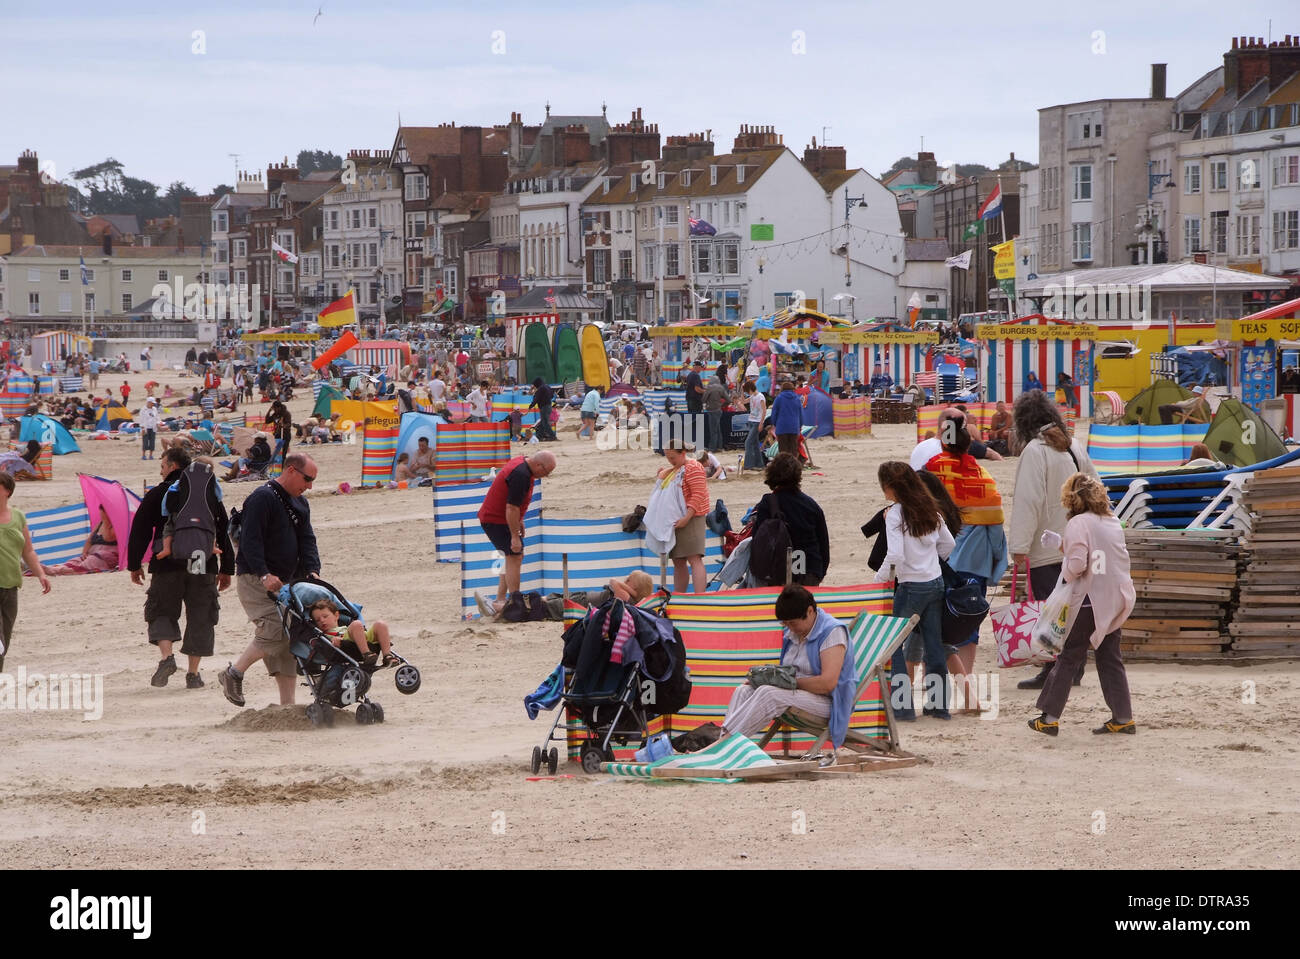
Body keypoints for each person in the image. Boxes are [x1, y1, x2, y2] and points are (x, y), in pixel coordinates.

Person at [1029, 473, 1137, 737]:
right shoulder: (1112, 521)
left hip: (1089, 600)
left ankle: (1050, 718)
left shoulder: (1079, 522)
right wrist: (1062, 544)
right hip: (1116, 597)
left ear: (1071, 499)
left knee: (1069, 657)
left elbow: (1079, 564)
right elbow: (1099, 555)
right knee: (1110, 657)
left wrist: (1065, 577)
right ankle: (1123, 717)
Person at [1007, 390, 1099, 690]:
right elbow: (1097, 489)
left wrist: (1019, 546)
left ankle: (1053, 670)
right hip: (1079, 543)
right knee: (1074, 609)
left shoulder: (1035, 451)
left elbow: (1028, 501)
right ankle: (1074, 669)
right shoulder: (1075, 447)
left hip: (1048, 548)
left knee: (1049, 611)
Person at [219, 453, 322, 708]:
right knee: (276, 628)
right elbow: (250, 542)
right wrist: (264, 574)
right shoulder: (262, 498)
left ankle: (287, 705)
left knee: (290, 638)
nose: (309, 486)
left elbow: (307, 540)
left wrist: (312, 570)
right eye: (307, 479)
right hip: (256, 579)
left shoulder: (301, 504)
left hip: (287, 582)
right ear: (290, 470)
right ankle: (234, 673)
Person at [128, 450, 233, 690]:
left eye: (163, 465)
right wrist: (227, 567)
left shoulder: (158, 493)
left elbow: (140, 530)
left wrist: (134, 564)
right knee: (200, 615)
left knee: (162, 610)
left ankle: (167, 658)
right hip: (202, 562)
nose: (161, 470)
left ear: (173, 465)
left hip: (167, 564)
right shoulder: (209, 493)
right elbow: (222, 530)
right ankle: (193, 674)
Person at [922, 415, 1007, 712]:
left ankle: (940, 691)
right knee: (968, 621)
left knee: (936, 626)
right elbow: (995, 523)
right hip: (975, 562)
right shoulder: (982, 476)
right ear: (969, 443)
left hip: (937, 562)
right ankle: (966, 687)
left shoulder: (931, 473)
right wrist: (998, 564)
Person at [716, 585, 854, 756]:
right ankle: (724, 744)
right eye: (785, 623)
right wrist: (766, 678)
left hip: (829, 703)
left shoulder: (832, 632)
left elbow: (827, 684)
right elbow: (789, 671)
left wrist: (786, 683)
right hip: (798, 695)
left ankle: (723, 747)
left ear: (810, 611)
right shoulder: (793, 632)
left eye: (792, 623)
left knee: (769, 693)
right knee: (744, 690)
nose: (789, 627)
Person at [874, 461, 955, 720]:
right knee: (934, 646)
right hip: (935, 583)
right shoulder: (930, 508)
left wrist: (879, 579)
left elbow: (895, 554)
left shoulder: (896, 513)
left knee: (894, 646)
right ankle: (939, 707)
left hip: (911, 587)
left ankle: (902, 709)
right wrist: (930, 562)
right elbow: (948, 544)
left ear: (891, 486)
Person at [474, 450, 557, 616]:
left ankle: (500, 600)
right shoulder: (521, 475)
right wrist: (514, 536)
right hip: (496, 519)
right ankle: (514, 603)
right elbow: (511, 507)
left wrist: (519, 520)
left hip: (496, 517)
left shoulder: (523, 464)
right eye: (546, 472)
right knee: (515, 555)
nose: (545, 476)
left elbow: (513, 501)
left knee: (511, 556)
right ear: (539, 465)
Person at [751, 453, 830, 587]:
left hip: (776, 570)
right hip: (809, 569)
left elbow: (757, 539)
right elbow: (823, 544)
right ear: (798, 476)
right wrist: (819, 573)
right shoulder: (811, 505)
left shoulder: (767, 504)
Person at [0, 471, 51, 671]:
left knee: (6, 639)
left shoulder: (18, 516)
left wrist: (41, 574)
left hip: (11, 586)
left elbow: (28, 551)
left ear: (7, 491)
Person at [645, 441, 710, 594]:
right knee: (678, 560)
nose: (670, 461)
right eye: (668, 457)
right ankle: (679, 595)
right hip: (676, 519)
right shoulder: (677, 469)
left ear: (683, 453)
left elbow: (698, 495)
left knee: (694, 558)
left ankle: (700, 596)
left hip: (692, 517)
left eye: (672, 457)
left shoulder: (693, 468)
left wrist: (687, 517)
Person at [308, 597, 396, 667]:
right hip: (347, 644)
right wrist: (335, 641)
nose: (322, 621)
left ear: (336, 615)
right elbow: (329, 646)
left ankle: (387, 656)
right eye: (318, 620)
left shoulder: (345, 627)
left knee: (380, 624)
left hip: (362, 638)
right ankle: (366, 654)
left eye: (325, 616)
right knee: (356, 624)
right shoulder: (325, 636)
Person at [44, 504, 120, 575]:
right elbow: (89, 540)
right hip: (92, 553)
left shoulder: (117, 525)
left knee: (92, 560)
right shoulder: (100, 524)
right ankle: (54, 568)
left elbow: (108, 538)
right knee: (75, 561)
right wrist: (84, 553)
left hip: (107, 556)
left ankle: (59, 570)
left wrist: (106, 521)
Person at [770, 380, 803, 460]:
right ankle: (793, 469)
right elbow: (801, 414)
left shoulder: (779, 398)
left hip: (782, 428)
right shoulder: (797, 398)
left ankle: (784, 469)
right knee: (793, 450)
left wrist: (774, 424)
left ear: (782, 389)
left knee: (783, 451)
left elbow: (774, 413)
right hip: (794, 428)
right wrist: (800, 426)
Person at [742, 381, 767, 471]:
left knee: (748, 443)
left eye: (747, 391)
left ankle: (748, 465)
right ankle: (759, 464)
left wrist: (761, 423)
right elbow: (743, 401)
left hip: (756, 422)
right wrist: (742, 391)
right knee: (755, 444)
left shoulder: (760, 397)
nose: (747, 393)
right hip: (751, 421)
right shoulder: (752, 396)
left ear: (750, 389)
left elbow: (764, 411)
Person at [702, 373, 727, 452]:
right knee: (718, 429)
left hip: (712, 410)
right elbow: (729, 400)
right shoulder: (721, 388)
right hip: (719, 410)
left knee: (713, 431)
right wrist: (721, 405)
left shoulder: (709, 388)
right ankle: (720, 446)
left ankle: (713, 448)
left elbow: (703, 399)